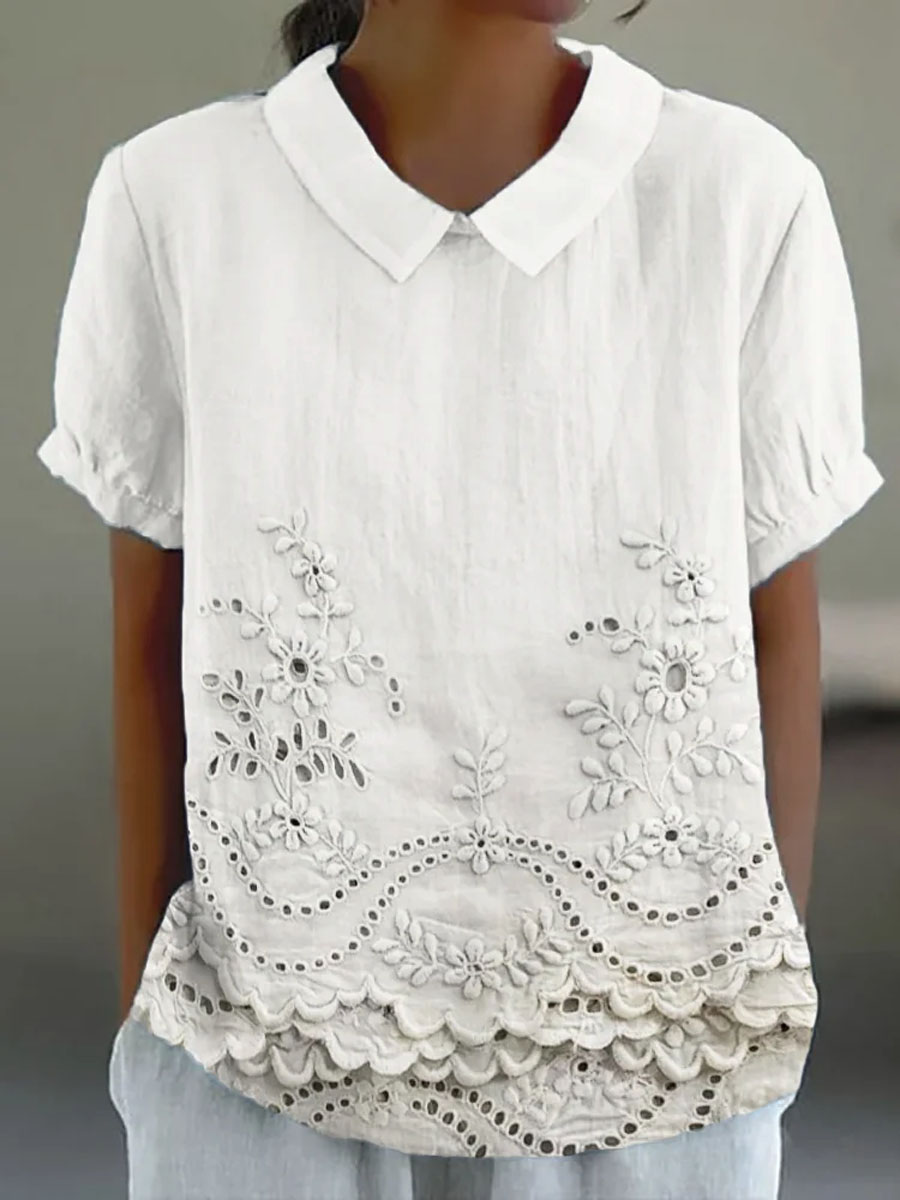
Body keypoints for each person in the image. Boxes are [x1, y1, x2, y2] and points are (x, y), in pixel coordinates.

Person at [35, 0, 885, 1197]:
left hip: (657, 1069)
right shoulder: (178, 199)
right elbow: (151, 651)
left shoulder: (741, 196)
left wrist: (732, 1022)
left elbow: (773, 641)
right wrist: (160, 1072)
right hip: (257, 1061)